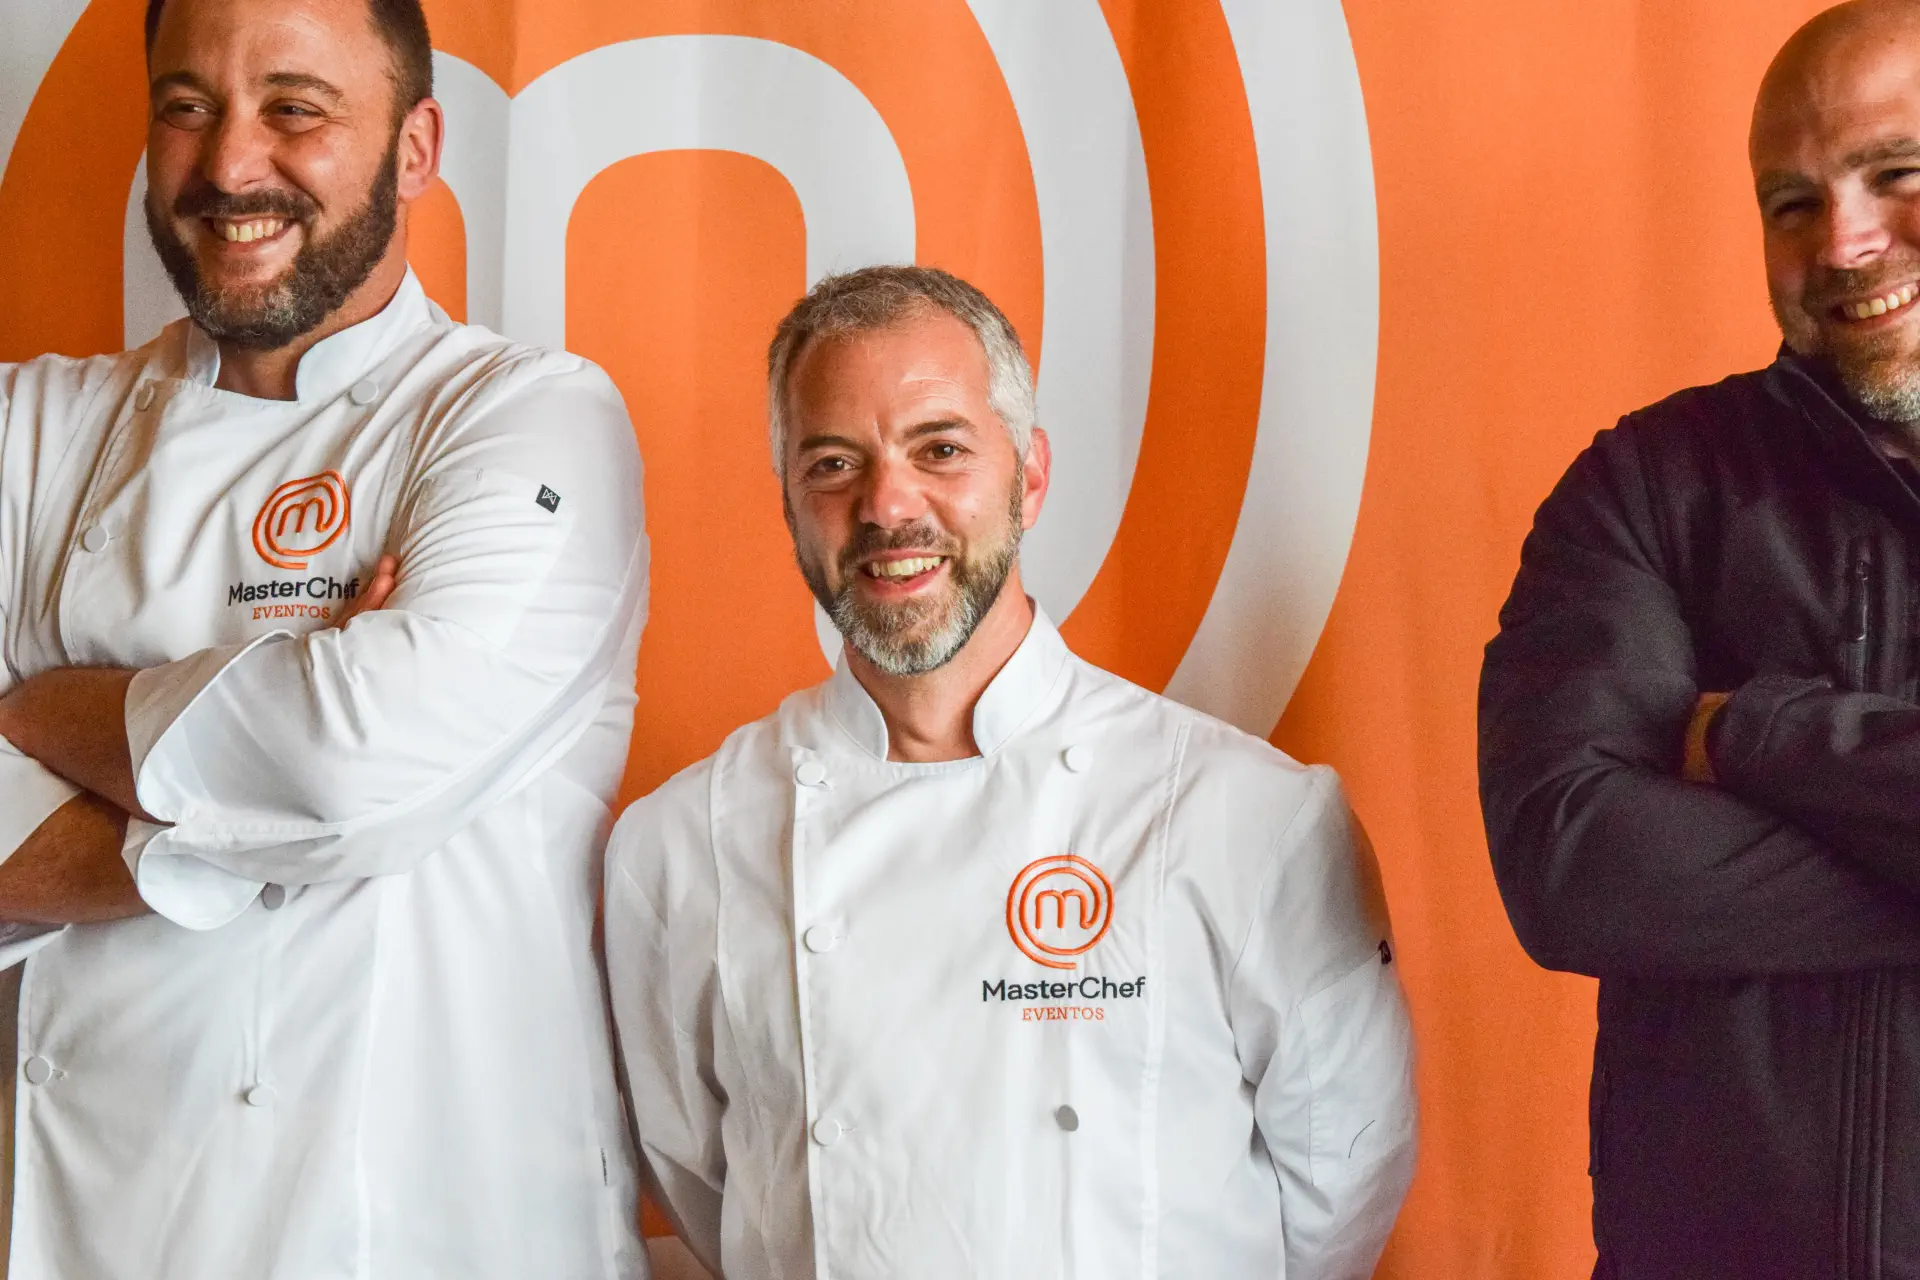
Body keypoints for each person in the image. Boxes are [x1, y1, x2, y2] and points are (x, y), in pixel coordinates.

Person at [0, 0, 649, 1274]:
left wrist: (28, 712)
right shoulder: (31, 430)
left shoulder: (527, 416)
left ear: (415, 149)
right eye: (188, 107)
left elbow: (347, 761)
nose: (230, 163)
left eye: (294, 108)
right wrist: (271, 770)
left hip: (429, 1236)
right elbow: (318, 780)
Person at [604, 265, 1416, 1279]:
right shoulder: (681, 845)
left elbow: (1343, 1182)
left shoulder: (1245, 815)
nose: (887, 504)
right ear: (789, 503)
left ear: (1029, 476)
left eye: (940, 449)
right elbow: (701, 1183)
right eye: (833, 463)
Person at [1480, 1, 1920, 1273]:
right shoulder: (1648, 484)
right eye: (1792, 202)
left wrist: (1755, 733)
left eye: (1896, 175)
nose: (1844, 240)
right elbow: (1572, 861)